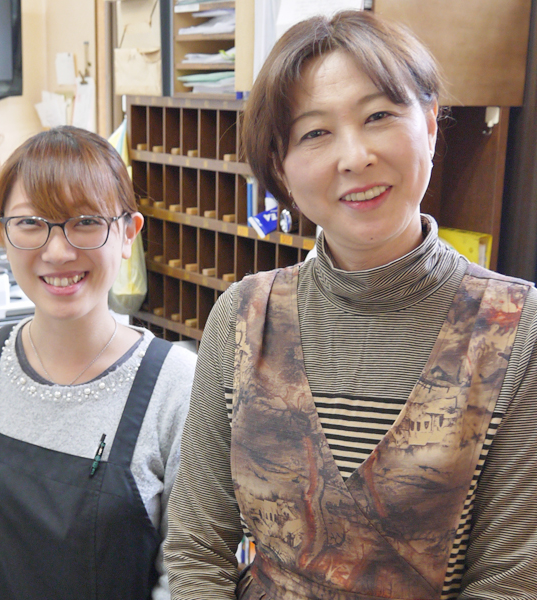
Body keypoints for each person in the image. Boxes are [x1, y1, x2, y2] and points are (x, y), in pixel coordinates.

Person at [164, 10, 537, 600]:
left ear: (432, 124)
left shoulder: (517, 328)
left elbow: (513, 579)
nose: (355, 156)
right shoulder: (242, 316)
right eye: (315, 132)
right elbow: (196, 545)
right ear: (281, 169)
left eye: (379, 116)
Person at [0, 126, 196, 600]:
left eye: (85, 221)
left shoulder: (179, 387)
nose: (57, 251)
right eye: (31, 223)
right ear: (2, 234)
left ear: (127, 234)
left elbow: (186, 575)